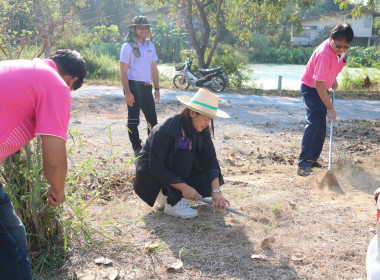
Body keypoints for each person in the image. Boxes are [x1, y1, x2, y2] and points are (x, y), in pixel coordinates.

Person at [0, 49, 86, 280]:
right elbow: (55, 161)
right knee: (10, 239)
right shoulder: (56, 84)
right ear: (72, 81)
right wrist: (58, 190)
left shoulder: (19, 67)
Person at [133, 88, 230, 219]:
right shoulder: (165, 129)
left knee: (208, 183)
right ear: (192, 113)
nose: (208, 124)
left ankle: (172, 194)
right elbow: (156, 166)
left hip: (172, 172)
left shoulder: (202, 130)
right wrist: (184, 188)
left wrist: (216, 192)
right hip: (152, 177)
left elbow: (210, 159)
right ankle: (170, 201)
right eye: (206, 119)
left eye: (210, 119)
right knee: (185, 155)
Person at [297, 23, 354, 177]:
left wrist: (333, 78)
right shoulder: (324, 54)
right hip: (311, 88)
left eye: (346, 47)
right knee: (314, 121)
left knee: (321, 125)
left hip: (321, 88)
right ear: (331, 39)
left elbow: (335, 66)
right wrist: (330, 107)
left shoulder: (340, 50)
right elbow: (318, 83)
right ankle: (303, 164)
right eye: (338, 46)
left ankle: (313, 159)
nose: (342, 49)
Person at [120, 15, 160, 157]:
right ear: (134, 29)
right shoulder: (128, 46)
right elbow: (123, 71)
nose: (144, 30)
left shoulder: (150, 46)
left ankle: (150, 147)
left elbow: (154, 69)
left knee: (152, 120)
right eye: (140, 27)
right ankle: (137, 148)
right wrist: (128, 92)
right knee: (133, 120)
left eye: (146, 27)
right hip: (132, 85)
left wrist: (157, 88)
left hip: (145, 86)